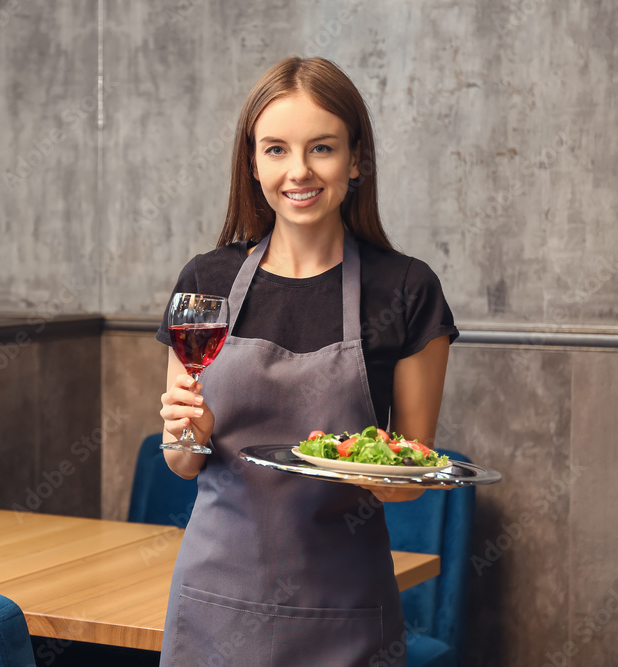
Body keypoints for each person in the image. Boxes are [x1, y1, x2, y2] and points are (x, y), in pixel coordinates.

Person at [155, 56, 459, 666]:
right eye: (275, 150)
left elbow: (408, 487)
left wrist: (339, 461)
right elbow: (183, 463)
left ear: (354, 158)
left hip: (342, 609)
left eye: (321, 148)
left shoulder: (405, 290)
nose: (298, 171)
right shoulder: (205, 282)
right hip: (214, 602)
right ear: (253, 162)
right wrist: (188, 433)